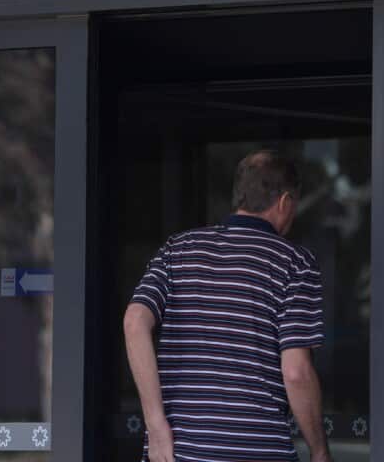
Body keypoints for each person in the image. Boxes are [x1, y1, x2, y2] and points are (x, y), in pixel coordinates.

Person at [124, 150, 332, 462]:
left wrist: (156, 425)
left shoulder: (177, 249)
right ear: (285, 202)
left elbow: (134, 322)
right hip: (257, 452)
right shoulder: (295, 263)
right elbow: (296, 371)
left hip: (176, 453)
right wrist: (319, 451)